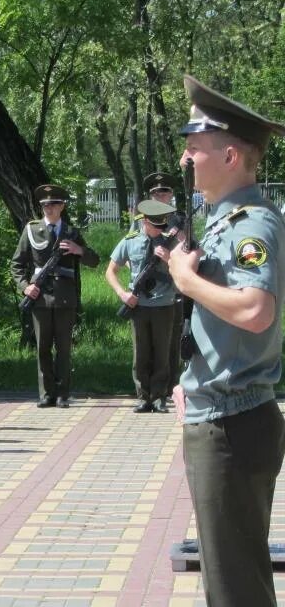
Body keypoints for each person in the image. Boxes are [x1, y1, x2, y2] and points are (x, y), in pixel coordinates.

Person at [167, 74, 285, 606]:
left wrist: (187, 280)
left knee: (236, 589)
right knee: (228, 579)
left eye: (196, 148)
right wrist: (191, 380)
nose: (187, 158)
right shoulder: (222, 222)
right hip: (220, 412)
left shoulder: (250, 225)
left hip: (232, 423)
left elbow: (257, 311)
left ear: (232, 156)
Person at [11, 184, 99, 408]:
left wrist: (79, 251)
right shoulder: (31, 230)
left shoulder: (71, 232)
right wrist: (24, 287)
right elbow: (17, 264)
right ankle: (46, 393)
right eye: (45, 205)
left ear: (62, 206)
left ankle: (62, 393)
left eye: (54, 204)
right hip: (40, 297)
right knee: (42, 348)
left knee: (63, 348)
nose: (49, 208)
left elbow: (94, 261)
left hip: (64, 298)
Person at [105, 199, 179, 413]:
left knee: (162, 352)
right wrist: (122, 293)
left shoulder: (172, 243)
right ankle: (143, 396)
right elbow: (110, 271)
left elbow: (187, 272)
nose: (159, 229)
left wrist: (170, 259)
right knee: (141, 352)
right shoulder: (130, 241)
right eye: (155, 225)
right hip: (138, 305)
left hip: (164, 305)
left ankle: (159, 396)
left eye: (162, 225)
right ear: (145, 222)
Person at [144, 171, 187, 390]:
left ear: (171, 194)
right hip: (147, 286)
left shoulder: (180, 220)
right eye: (156, 192)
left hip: (172, 286)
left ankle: (169, 386)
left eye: (165, 192)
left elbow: (193, 251)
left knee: (171, 339)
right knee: (145, 341)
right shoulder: (141, 219)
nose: (160, 196)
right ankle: (146, 386)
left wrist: (182, 240)